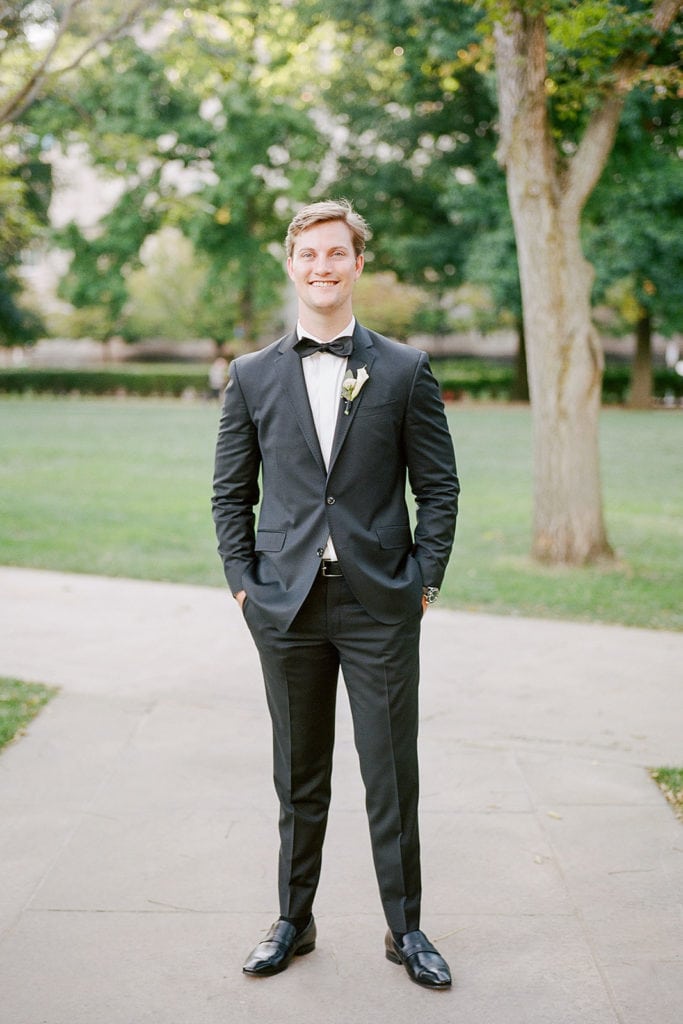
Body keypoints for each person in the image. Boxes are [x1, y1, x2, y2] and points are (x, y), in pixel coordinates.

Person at [212, 199, 459, 989]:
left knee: (391, 773)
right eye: (308, 254)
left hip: (381, 604)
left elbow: (439, 489)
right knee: (298, 774)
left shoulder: (404, 369)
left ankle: (405, 929)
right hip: (283, 608)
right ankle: (293, 919)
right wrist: (245, 589)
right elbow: (228, 496)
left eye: (335, 254)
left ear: (358, 265)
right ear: (292, 263)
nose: (321, 267)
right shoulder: (250, 376)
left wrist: (423, 582)